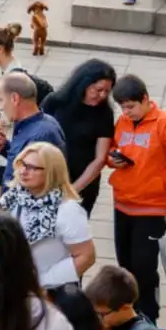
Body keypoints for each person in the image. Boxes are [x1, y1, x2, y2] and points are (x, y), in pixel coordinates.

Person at [107, 73, 166, 321]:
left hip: (153, 209)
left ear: (145, 99)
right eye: (123, 108)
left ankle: (149, 317)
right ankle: (128, 314)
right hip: (123, 204)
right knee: (125, 265)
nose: (127, 112)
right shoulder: (123, 123)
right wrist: (112, 160)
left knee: (144, 267)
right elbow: (113, 151)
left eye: (131, 106)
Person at [2, 142, 95, 289]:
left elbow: (86, 257)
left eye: (33, 168)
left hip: (46, 291)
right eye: (22, 163)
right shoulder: (12, 197)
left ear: (52, 173)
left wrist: (44, 283)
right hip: (10, 285)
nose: (23, 171)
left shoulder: (68, 210)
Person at [42, 59, 117, 215]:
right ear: (84, 83)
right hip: (48, 177)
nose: (102, 95)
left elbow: (100, 159)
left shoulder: (104, 113)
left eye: (106, 92)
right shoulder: (55, 102)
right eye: (98, 89)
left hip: (83, 183)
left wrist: (72, 190)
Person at [0, 71, 67, 186]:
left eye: (1, 100)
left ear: (14, 98)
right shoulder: (39, 125)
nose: (0, 107)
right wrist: (6, 148)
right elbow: (25, 162)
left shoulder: (40, 136)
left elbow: (34, 181)